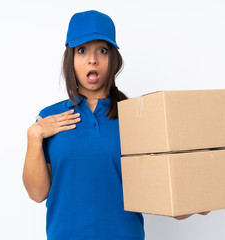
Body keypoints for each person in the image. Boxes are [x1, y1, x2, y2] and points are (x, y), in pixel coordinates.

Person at [22, 10, 208, 240]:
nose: (93, 59)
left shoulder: (137, 117)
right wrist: (34, 136)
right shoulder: (49, 118)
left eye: (102, 50)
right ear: (70, 58)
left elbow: (159, 190)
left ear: (114, 59)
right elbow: (38, 194)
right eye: (82, 50)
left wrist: (200, 200)